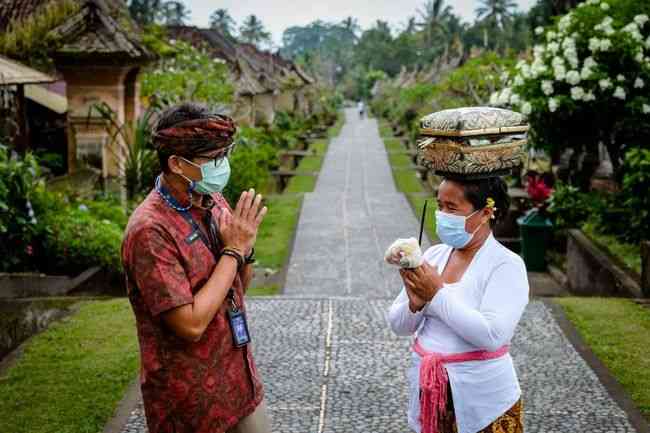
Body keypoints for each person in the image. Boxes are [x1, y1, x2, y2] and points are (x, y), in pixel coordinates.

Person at [122, 102, 270, 433]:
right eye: (214, 159)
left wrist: (244, 249)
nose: (223, 166)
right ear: (176, 163)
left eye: (225, 155)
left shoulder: (212, 199)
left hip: (238, 382)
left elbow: (239, 285)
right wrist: (233, 250)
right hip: (188, 402)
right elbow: (190, 325)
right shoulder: (150, 230)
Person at [387, 176, 529, 433]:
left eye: (451, 208)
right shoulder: (433, 256)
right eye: (440, 206)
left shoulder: (505, 265)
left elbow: (492, 335)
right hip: (431, 395)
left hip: (485, 403)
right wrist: (414, 305)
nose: (442, 215)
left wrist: (436, 295)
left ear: (485, 213)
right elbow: (398, 325)